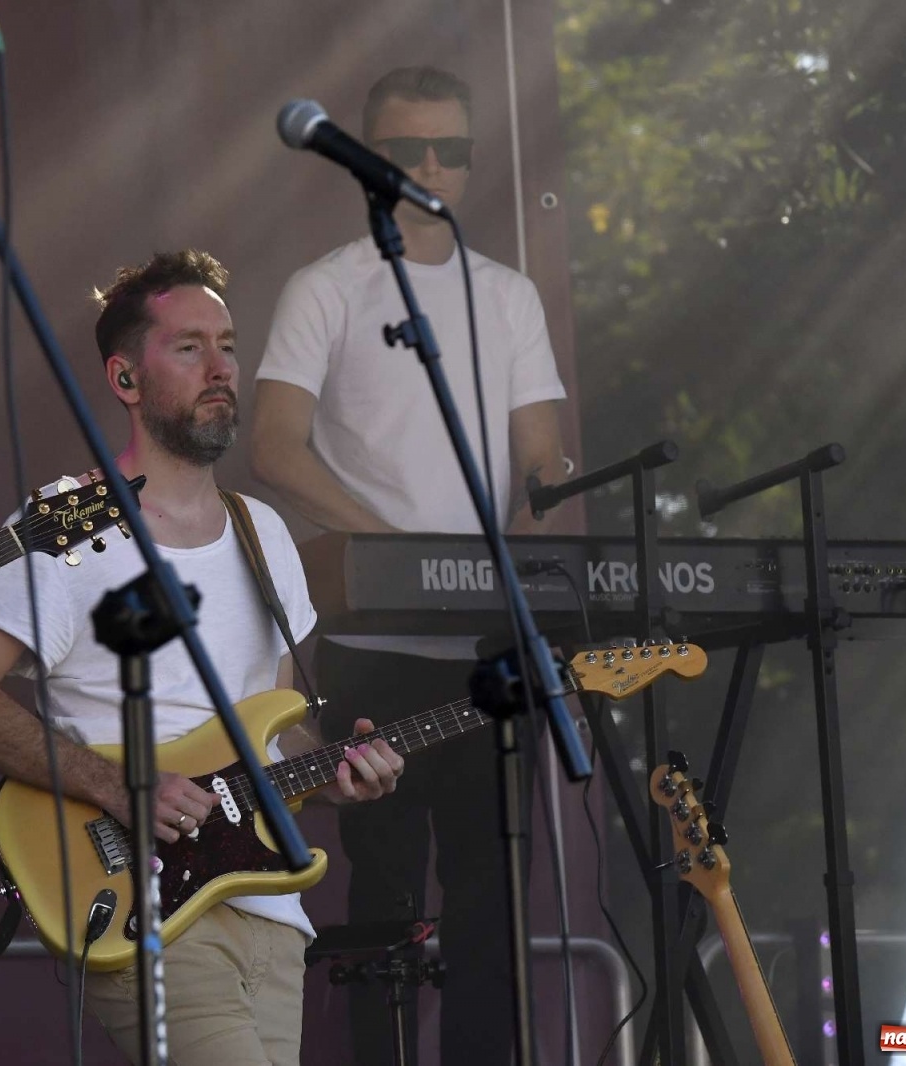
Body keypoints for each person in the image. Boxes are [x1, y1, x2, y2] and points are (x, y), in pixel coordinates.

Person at [0, 250, 404, 1066]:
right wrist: (121, 788)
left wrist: (335, 774)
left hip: (270, 912)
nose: (222, 368)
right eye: (189, 347)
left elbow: (272, 737)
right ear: (125, 379)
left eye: (228, 345)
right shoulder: (65, 523)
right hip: (142, 903)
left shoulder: (264, 533)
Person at [251, 66, 570, 1064]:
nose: (431, 168)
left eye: (452, 150)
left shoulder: (505, 296)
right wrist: (399, 554)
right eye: (405, 152)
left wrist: (535, 517)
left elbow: (544, 460)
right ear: (366, 163)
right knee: (383, 905)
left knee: (493, 902)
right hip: (370, 646)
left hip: (489, 652)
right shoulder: (326, 287)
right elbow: (274, 448)